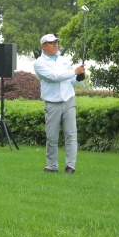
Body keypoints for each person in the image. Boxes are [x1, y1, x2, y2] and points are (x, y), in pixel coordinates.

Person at [33, 34, 85, 175]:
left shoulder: (63, 60)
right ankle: (51, 166)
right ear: (44, 46)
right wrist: (73, 72)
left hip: (69, 100)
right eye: (52, 42)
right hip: (52, 103)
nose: (55, 44)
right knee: (52, 137)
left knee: (71, 135)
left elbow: (70, 80)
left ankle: (70, 167)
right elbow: (53, 77)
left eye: (56, 42)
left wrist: (78, 77)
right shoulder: (39, 63)